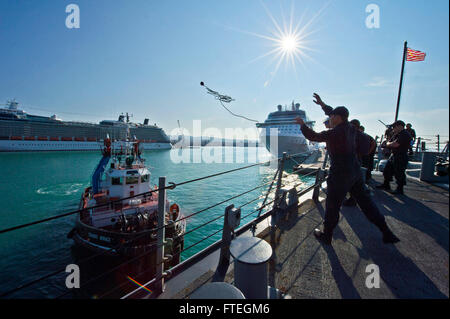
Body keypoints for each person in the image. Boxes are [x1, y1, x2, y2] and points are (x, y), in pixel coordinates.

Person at [294, 93, 400, 245]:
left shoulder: (336, 132)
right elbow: (334, 112)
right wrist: (322, 104)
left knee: (332, 205)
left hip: (340, 174)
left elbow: (314, 136)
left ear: (338, 118)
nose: (330, 119)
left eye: (332, 117)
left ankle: (327, 236)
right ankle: (386, 232)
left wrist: (302, 125)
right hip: (355, 171)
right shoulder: (351, 127)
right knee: (366, 203)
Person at [377, 120, 412, 195]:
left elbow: (395, 144)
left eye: (394, 127)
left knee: (399, 172)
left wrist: (388, 144)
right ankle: (386, 185)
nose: (393, 129)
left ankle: (400, 189)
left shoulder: (404, 134)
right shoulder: (397, 134)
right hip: (394, 155)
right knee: (387, 170)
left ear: (400, 126)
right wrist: (389, 142)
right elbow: (391, 142)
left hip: (401, 155)